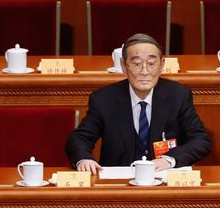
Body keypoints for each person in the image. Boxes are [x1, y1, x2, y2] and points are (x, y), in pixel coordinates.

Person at [66, 33, 211, 173]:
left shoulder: (178, 96)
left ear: (162, 65)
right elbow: (79, 138)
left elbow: (200, 140)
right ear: (123, 66)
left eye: (151, 63)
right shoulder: (104, 99)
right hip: (119, 186)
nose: (144, 71)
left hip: (164, 182)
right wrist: (84, 159)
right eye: (136, 64)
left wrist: (169, 160)